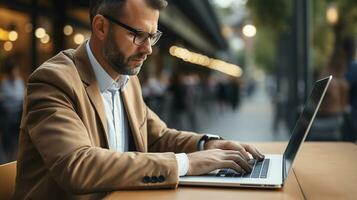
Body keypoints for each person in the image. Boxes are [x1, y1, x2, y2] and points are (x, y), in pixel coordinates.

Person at [14, 0, 264, 199]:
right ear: (101, 27)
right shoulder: (52, 81)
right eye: (138, 35)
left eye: (153, 36)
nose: (148, 49)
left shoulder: (126, 79)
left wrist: (206, 146)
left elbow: (157, 137)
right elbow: (77, 165)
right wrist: (186, 163)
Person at [0, 58, 24, 162]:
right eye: (13, 71)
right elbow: (8, 98)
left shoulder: (20, 82)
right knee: (8, 141)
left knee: (17, 141)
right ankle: (6, 162)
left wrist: (12, 98)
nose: (15, 73)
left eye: (16, 71)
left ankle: (14, 160)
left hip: (18, 114)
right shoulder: (4, 83)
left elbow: (21, 96)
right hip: (7, 115)